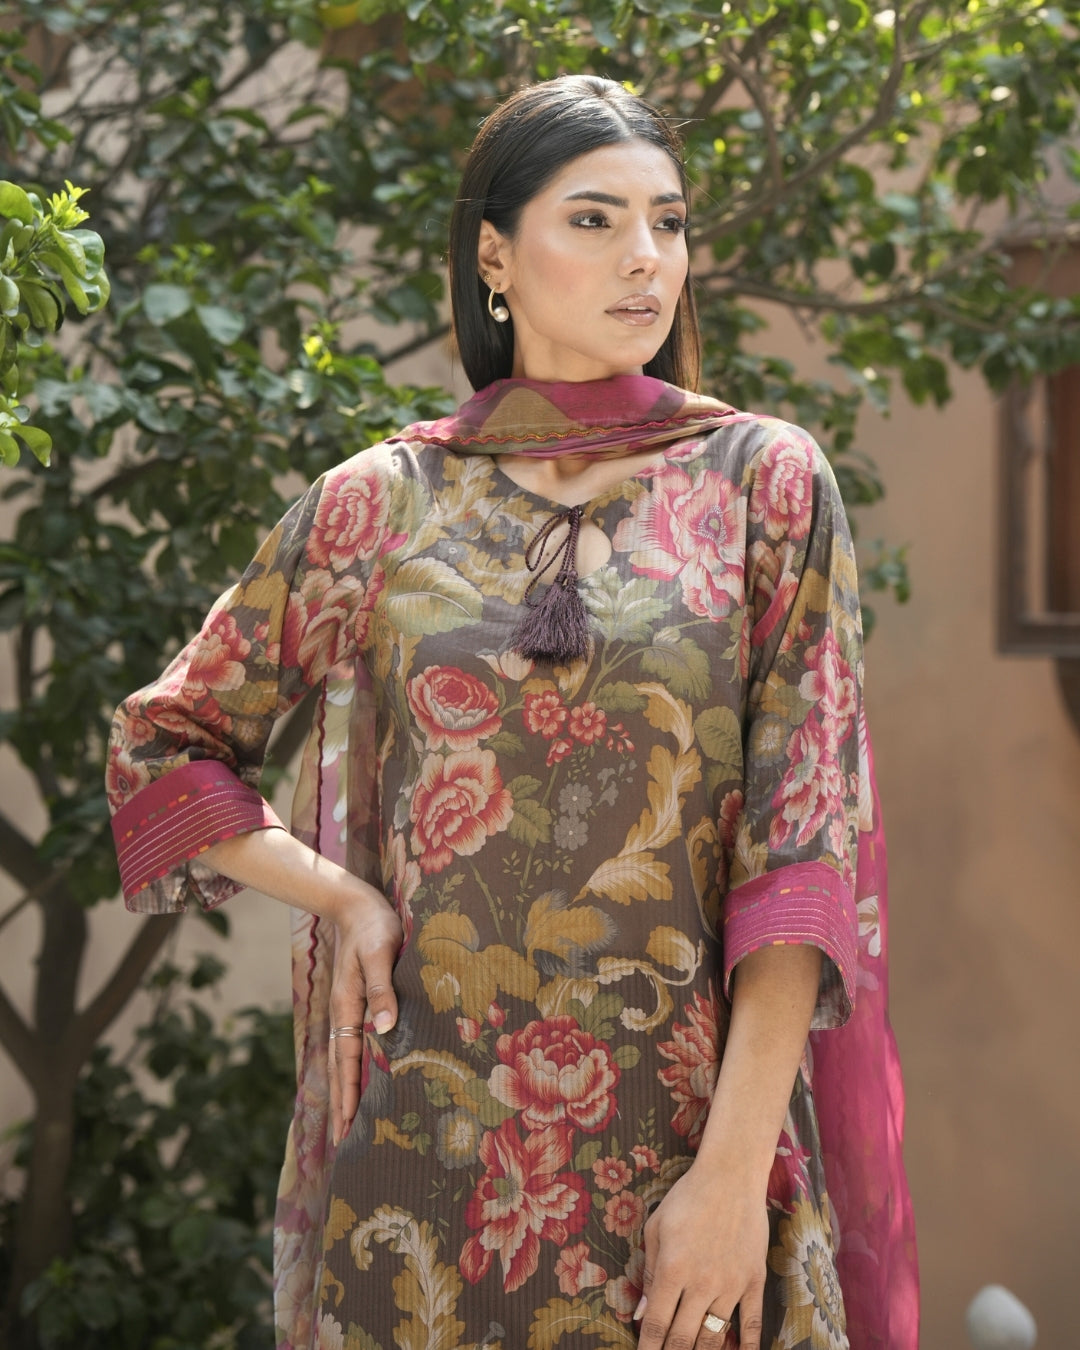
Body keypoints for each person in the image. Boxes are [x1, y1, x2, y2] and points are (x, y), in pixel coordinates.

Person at [107, 75, 918, 1350]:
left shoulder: (762, 483)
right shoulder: (384, 503)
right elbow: (165, 746)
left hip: (688, 1180)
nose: (647, 257)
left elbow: (801, 855)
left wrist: (726, 1184)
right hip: (418, 1187)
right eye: (595, 219)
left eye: (668, 222)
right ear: (495, 255)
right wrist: (344, 896)